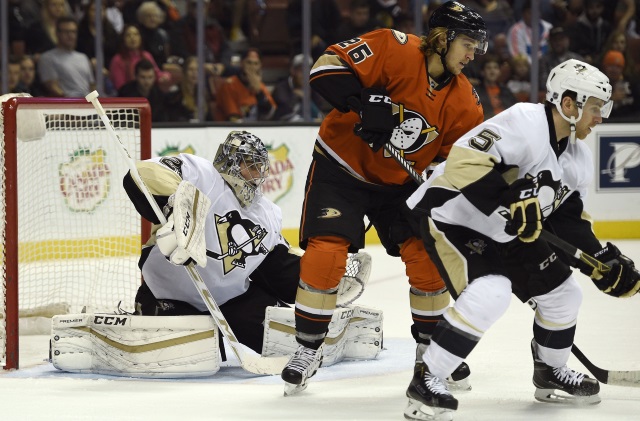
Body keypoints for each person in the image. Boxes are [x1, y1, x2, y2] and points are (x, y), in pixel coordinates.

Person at [405, 58, 640, 419]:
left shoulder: (577, 158)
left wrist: (601, 260)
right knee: (491, 292)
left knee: (564, 294)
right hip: (455, 219)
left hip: (508, 233)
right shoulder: (524, 121)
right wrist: (511, 197)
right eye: (596, 108)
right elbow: (462, 162)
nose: (600, 118)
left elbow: (568, 220)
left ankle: (549, 373)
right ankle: (428, 377)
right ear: (568, 104)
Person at [279, 1, 488, 397]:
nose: (474, 53)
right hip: (342, 168)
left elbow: (454, 163)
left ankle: (432, 353)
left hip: (401, 184)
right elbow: (323, 69)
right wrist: (364, 102)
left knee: (427, 258)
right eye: (468, 42)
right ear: (442, 38)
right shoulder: (392, 46)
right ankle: (307, 350)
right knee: (326, 252)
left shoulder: (466, 101)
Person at [122, 130, 372, 359]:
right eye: (251, 165)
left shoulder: (266, 213)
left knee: (302, 344)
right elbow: (142, 173)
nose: (257, 174)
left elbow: (277, 268)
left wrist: (320, 280)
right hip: (168, 294)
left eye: (260, 168)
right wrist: (176, 209)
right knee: (190, 358)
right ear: (231, 161)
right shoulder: (200, 174)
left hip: (232, 301)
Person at [38, 16, 96, 98]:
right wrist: (71, 103)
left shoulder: (83, 57)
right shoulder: (47, 58)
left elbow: (92, 85)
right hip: (65, 105)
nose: (70, 35)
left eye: (73, 32)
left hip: (87, 103)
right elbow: (52, 86)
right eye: (66, 32)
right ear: (57, 33)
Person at [214, 48, 276, 122]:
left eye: (256, 64)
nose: (252, 67)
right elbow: (233, 118)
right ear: (241, 63)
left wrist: (259, 93)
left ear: (260, 66)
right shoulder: (229, 85)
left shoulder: (260, 86)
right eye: (249, 62)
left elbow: (270, 113)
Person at [271, 54, 327, 122]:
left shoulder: (314, 87)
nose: (305, 75)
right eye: (301, 70)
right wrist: (295, 97)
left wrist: (305, 98)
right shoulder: (281, 88)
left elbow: (319, 114)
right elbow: (285, 115)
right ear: (293, 70)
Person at [475, 54, 517, 119]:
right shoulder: (475, 92)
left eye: (495, 68)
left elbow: (514, 111)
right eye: (489, 68)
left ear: (499, 71)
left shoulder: (506, 91)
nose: (492, 71)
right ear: (482, 72)